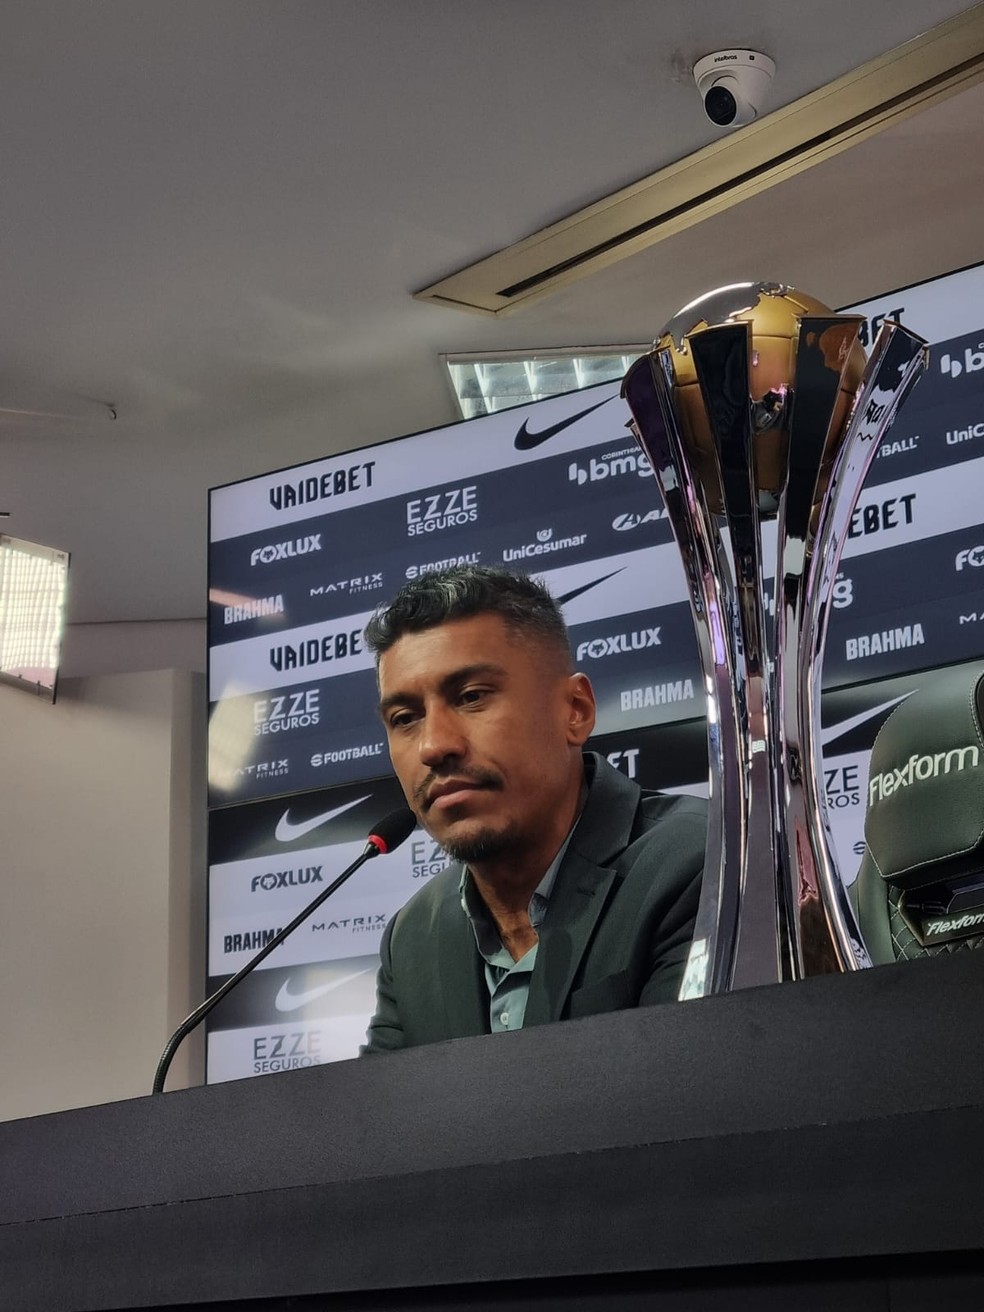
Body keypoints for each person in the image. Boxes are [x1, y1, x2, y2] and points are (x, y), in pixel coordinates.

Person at [360, 565, 706, 1053]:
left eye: (472, 696)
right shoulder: (414, 934)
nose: (434, 745)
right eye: (405, 718)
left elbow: (687, 1105)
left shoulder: (700, 860)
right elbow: (381, 1123)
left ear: (575, 710)